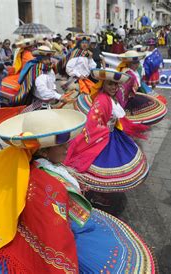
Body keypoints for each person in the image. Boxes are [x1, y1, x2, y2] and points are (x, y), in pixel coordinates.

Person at [0, 109, 156, 273]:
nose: (69, 146)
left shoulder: (20, 166)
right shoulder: (53, 184)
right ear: (45, 150)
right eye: (63, 143)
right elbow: (61, 227)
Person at [65, 69, 149, 208]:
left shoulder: (112, 97)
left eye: (116, 85)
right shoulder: (102, 100)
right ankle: (96, 196)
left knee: (108, 166)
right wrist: (105, 131)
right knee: (100, 166)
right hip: (102, 137)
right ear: (103, 84)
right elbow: (93, 123)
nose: (114, 87)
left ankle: (100, 194)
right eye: (110, 84)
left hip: (111, 134)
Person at [115, 50, 167, 125]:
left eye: (138, 62)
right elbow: (122, 91)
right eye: (134, 63)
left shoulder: (133, 71)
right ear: (129, 63)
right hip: (127, 99)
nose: (137, 64)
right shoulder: (128, 74)